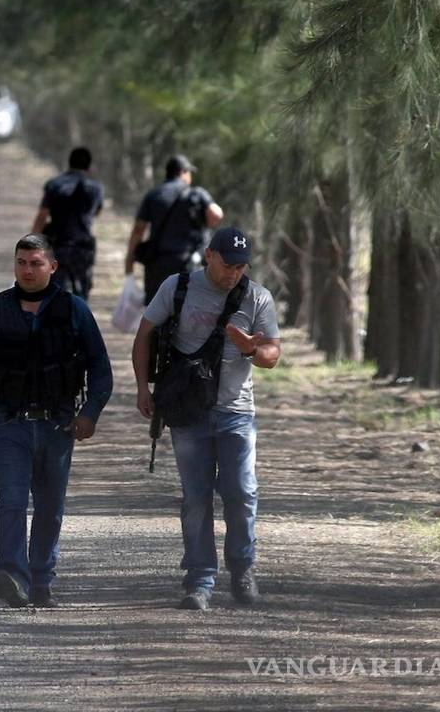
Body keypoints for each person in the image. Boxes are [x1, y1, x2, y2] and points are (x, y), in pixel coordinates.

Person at [0, 234, 113, 609]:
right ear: (14, 265)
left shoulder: (74, 310)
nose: (28, 270)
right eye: (22, 263)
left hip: (58, 426)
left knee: (49, 507)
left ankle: (41, 581)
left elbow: (101, 370)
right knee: (11, 501)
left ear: (52, 267)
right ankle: (11, 574)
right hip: (8, 424)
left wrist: (89, 413)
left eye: (36, 263)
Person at [131, 226, 281, 611]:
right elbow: (144, 333)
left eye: (241, 266)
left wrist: (251, 349)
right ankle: (199, 581)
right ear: (209, 255)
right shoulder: (177, 287)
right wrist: (143, 389)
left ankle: (243, 570)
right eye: (228, 264)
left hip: (236, 412)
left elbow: (272, 354)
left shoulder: (257, 297)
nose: (233, 273)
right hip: (188, 412)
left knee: (242, 494)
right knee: (196, 499)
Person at [125, 154, 224, 304]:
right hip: (188, 264)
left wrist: (129, 260)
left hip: (157, 264)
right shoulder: (196, 194)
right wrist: (205, 223)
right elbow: (216, 214)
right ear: (182, 172)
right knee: (189, 309)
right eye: (189, 172)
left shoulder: (154, 195)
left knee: (156, 311)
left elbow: (139, 230)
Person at [31, 147, 104, 299]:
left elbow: (42, 216)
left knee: (55, 294)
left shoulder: (53, 184)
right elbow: (97, 212)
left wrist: (31, 245)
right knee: (82, 295)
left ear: (69, 163)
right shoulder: (96, 188)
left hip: (57, 246)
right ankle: (79, 319)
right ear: (89, 166)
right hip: (83, 248)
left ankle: (58, 321)